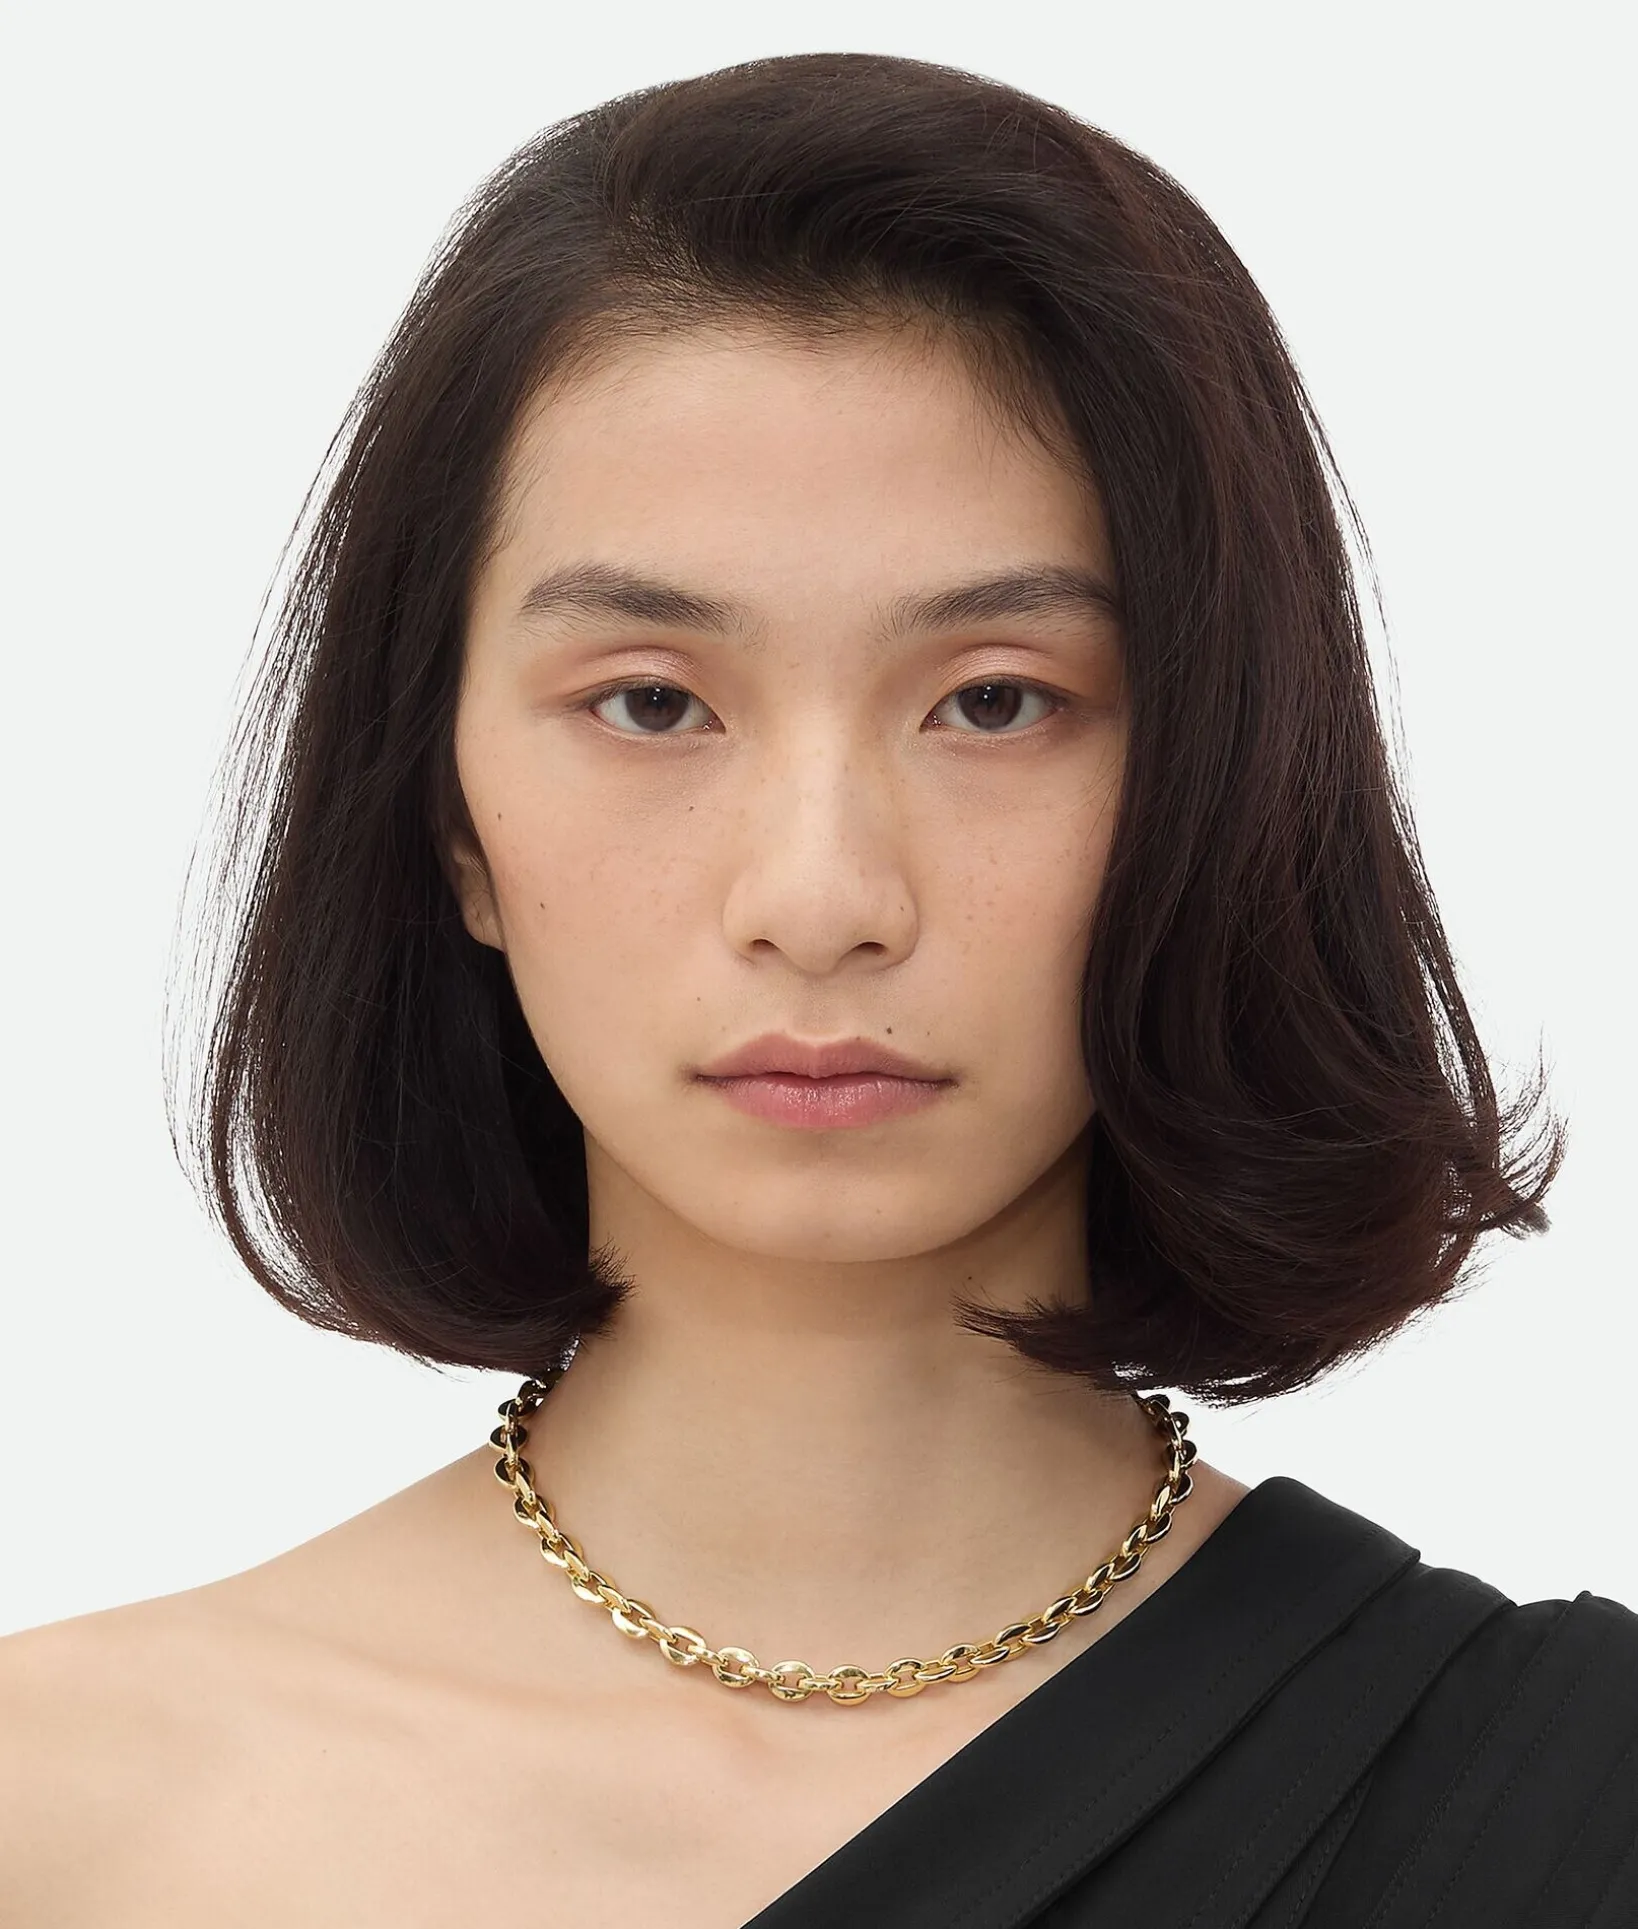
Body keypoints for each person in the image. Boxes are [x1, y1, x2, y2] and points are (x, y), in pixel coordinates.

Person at [1, 47, 1633, 1928]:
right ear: (449, 821)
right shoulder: (66, 1818)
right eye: (651, 703)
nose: (821, 898)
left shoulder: (1571, 1807)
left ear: (1219, 782)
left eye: (995, 702)